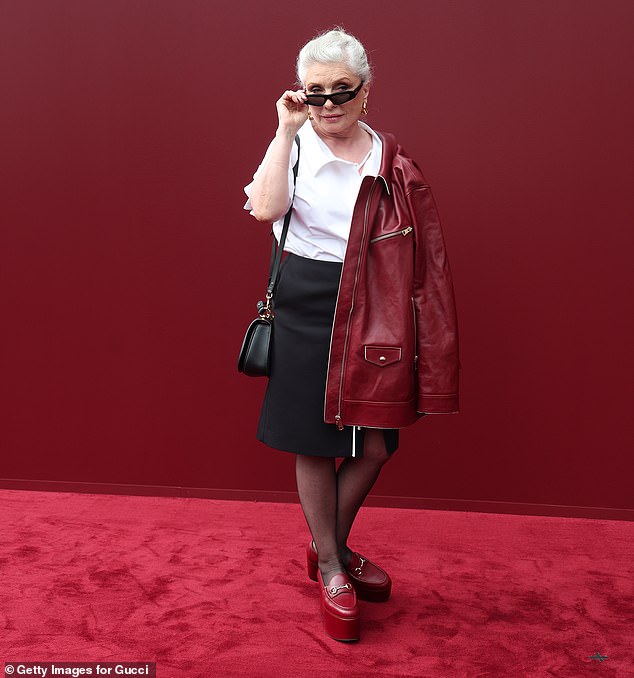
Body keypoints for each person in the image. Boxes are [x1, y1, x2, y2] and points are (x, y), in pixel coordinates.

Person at [243, 28, 459, 642]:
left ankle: (324, 544)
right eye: (316, 93)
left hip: (376, 300)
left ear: (366, 91)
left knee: (376, 442)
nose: (330, 103)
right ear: (300, 96)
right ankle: (334, 564)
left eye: (343, 90)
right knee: (315, 440)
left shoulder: (389, 156)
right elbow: (263, 209)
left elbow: (418, 244)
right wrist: (285, 131)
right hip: (308, 300)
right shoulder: (292, 144)